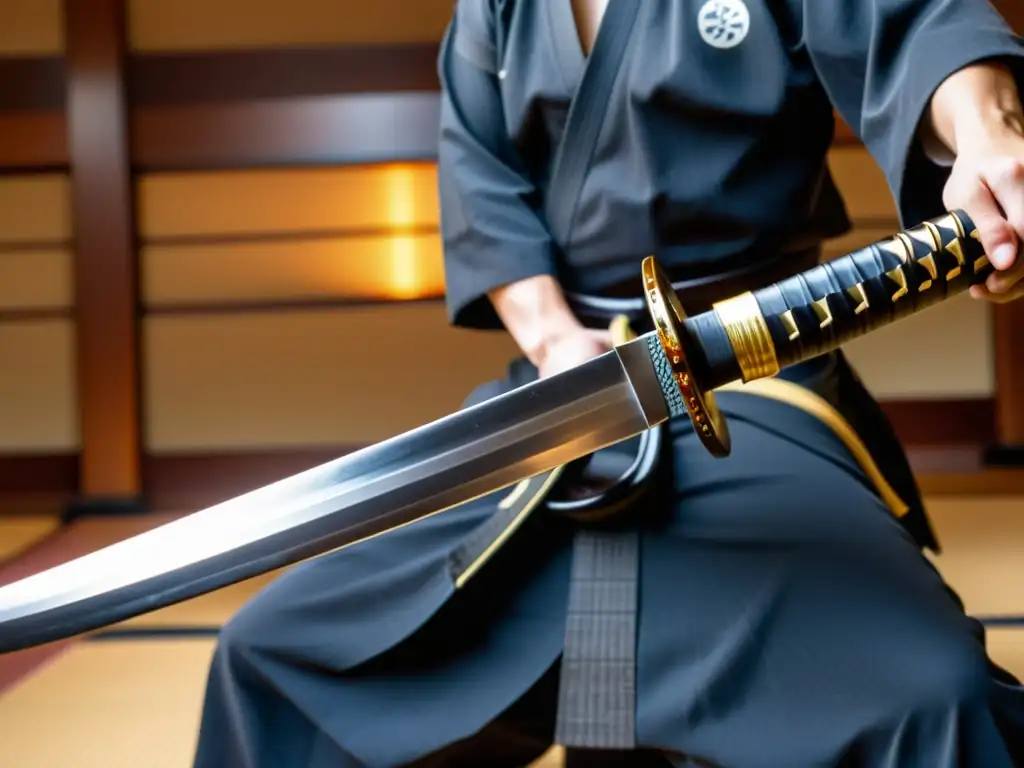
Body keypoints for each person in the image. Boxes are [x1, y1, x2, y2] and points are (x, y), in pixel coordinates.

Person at [191, 1, 1024, 766]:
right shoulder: (498, 9)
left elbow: (915, 23)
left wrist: (989, 138)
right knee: (269, 654)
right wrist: (555, 339)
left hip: (753, 368)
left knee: (936, 694)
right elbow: (484, 189)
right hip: (567, 389)